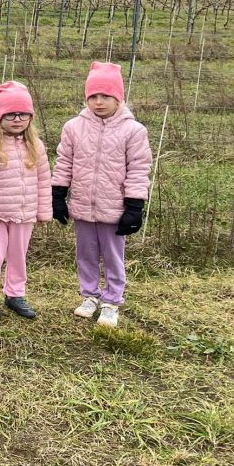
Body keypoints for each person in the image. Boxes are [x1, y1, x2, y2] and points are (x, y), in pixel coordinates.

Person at [51, 62, 152, 328]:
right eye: (93, 96)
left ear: (119, 98)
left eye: (106, 96)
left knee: (112, 255)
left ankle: (112, 301)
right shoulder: (73, 127)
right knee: (85, 253)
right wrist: (58, 194)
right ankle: (89, 295)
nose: (99, 102)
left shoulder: (133, 131)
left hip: (114, 208)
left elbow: (139, 169)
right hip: (83, 205)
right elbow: (64, 162)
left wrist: (134, 206)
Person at [0, 81, 52, 319]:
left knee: (18, 255)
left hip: (24, 214)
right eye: (10, 114)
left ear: (30, 116)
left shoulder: (36, 146)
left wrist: (43, 211)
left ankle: (15, 294)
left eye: (23, 114)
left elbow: (43, 180)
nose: (17, 119)